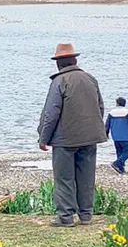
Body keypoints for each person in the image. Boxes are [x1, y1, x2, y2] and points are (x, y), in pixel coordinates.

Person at [37, 44, 107, 228]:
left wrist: (43, 137)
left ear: (58, 64)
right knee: (86, 177)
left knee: (64, 178)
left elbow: (51, 113)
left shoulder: (59, 81)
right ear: (75, 61)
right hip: (90, 137)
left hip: (65, 139)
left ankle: (65, 217)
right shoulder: (90, 79)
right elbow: (100, 107)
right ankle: (86, 215)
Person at [106, 97, 128, 174]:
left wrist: (106, 133)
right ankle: (117, 163)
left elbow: (107, 124)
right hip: (124, 135)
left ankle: (120, 169)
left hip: (115, 135)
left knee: (119, 151)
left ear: (117, 103)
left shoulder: (111, 113)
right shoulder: (127, 112)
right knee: (127, 151)